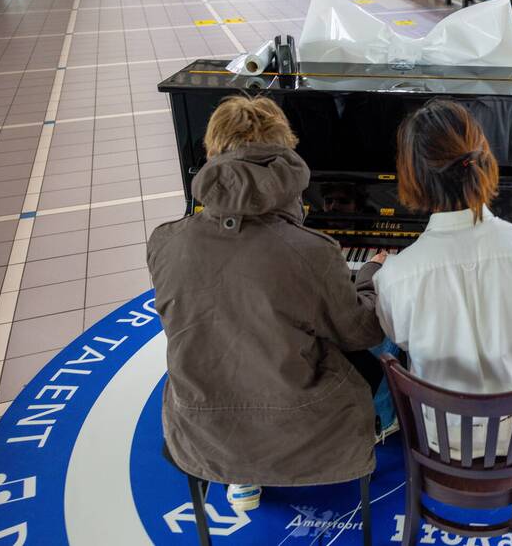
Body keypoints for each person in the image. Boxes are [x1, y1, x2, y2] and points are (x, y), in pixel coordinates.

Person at [147, 96, 387, 511]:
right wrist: (370, 277)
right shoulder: (310, 250)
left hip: (202, 425)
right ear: (286, 157)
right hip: (299, 421)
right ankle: (382, 424)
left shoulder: (166, 241)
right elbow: (360, 331)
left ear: (211, 153)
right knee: (382, 344)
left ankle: (240, 475)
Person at [373, 99, 512, 457]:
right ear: (483, 161)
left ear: (411, 176)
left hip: (440, 439)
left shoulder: (395, 276)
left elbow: (397, 339)